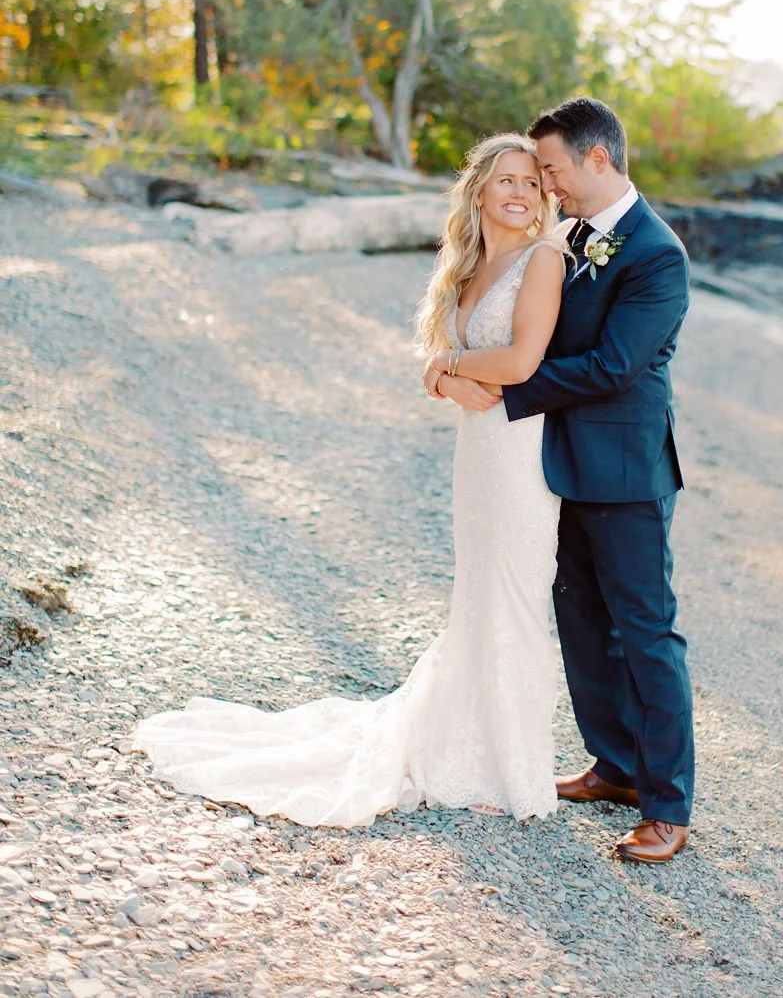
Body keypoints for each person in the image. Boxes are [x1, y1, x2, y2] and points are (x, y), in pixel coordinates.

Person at [133, 133, 570, 826]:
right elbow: (444, 353)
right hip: (477, 448)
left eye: (531, 183)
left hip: (519, 449)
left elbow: (519, 363)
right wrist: (441, 374)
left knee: (514, 596)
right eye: (507, 180)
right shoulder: (468, 265)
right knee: (478, 593)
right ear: (480, 190)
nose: (521, 193)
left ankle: (513, 767)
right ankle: (472, 748)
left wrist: (447, 370)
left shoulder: (543, 260)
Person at [430, 97, 694, 865]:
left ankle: (668, 806)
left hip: (624, 471)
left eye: (552, 169)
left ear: (597, 160)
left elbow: (615, 366)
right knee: (582, 623)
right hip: (551, 466)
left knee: (646, 632)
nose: (547, 184)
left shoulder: (655, 253)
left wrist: (501, 387)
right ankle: (613, 765)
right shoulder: (571, 237)